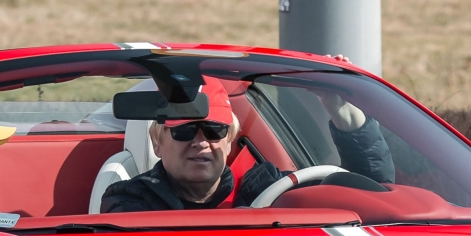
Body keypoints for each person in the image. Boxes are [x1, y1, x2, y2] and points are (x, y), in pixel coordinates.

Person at [99, 90, 393, 213]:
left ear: (229, 142)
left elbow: (370, 191)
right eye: (184, 131)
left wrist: (341, 112)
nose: (201, 142)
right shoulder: (128, 201)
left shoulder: (270, 188)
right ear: (157, 143)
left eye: (214, 131)